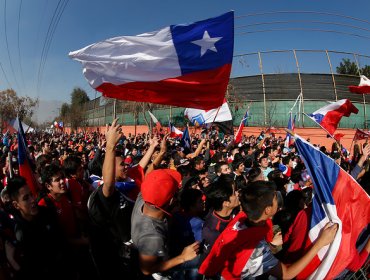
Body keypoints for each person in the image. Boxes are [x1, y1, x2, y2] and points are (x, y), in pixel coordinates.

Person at [199, 180, 338, 279]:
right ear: (268, 210)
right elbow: (287, 274)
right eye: (275, 199)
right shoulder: (255, 249)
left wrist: (270, 245)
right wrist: (320, 243)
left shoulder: (241, 218)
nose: (278, 200)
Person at [131, 168, 200, 278]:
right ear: (172, 201)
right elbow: (147, 269)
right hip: (161, 270)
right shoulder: (152, 237)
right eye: (176, 191)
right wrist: (182, 257)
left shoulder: (144, 198)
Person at [7, 176, 67, 280]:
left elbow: (61, 240)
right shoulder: (18, 233)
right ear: (16, 205)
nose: (32, 200)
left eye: (31, 195)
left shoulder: (47, 213)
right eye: (26, 198)